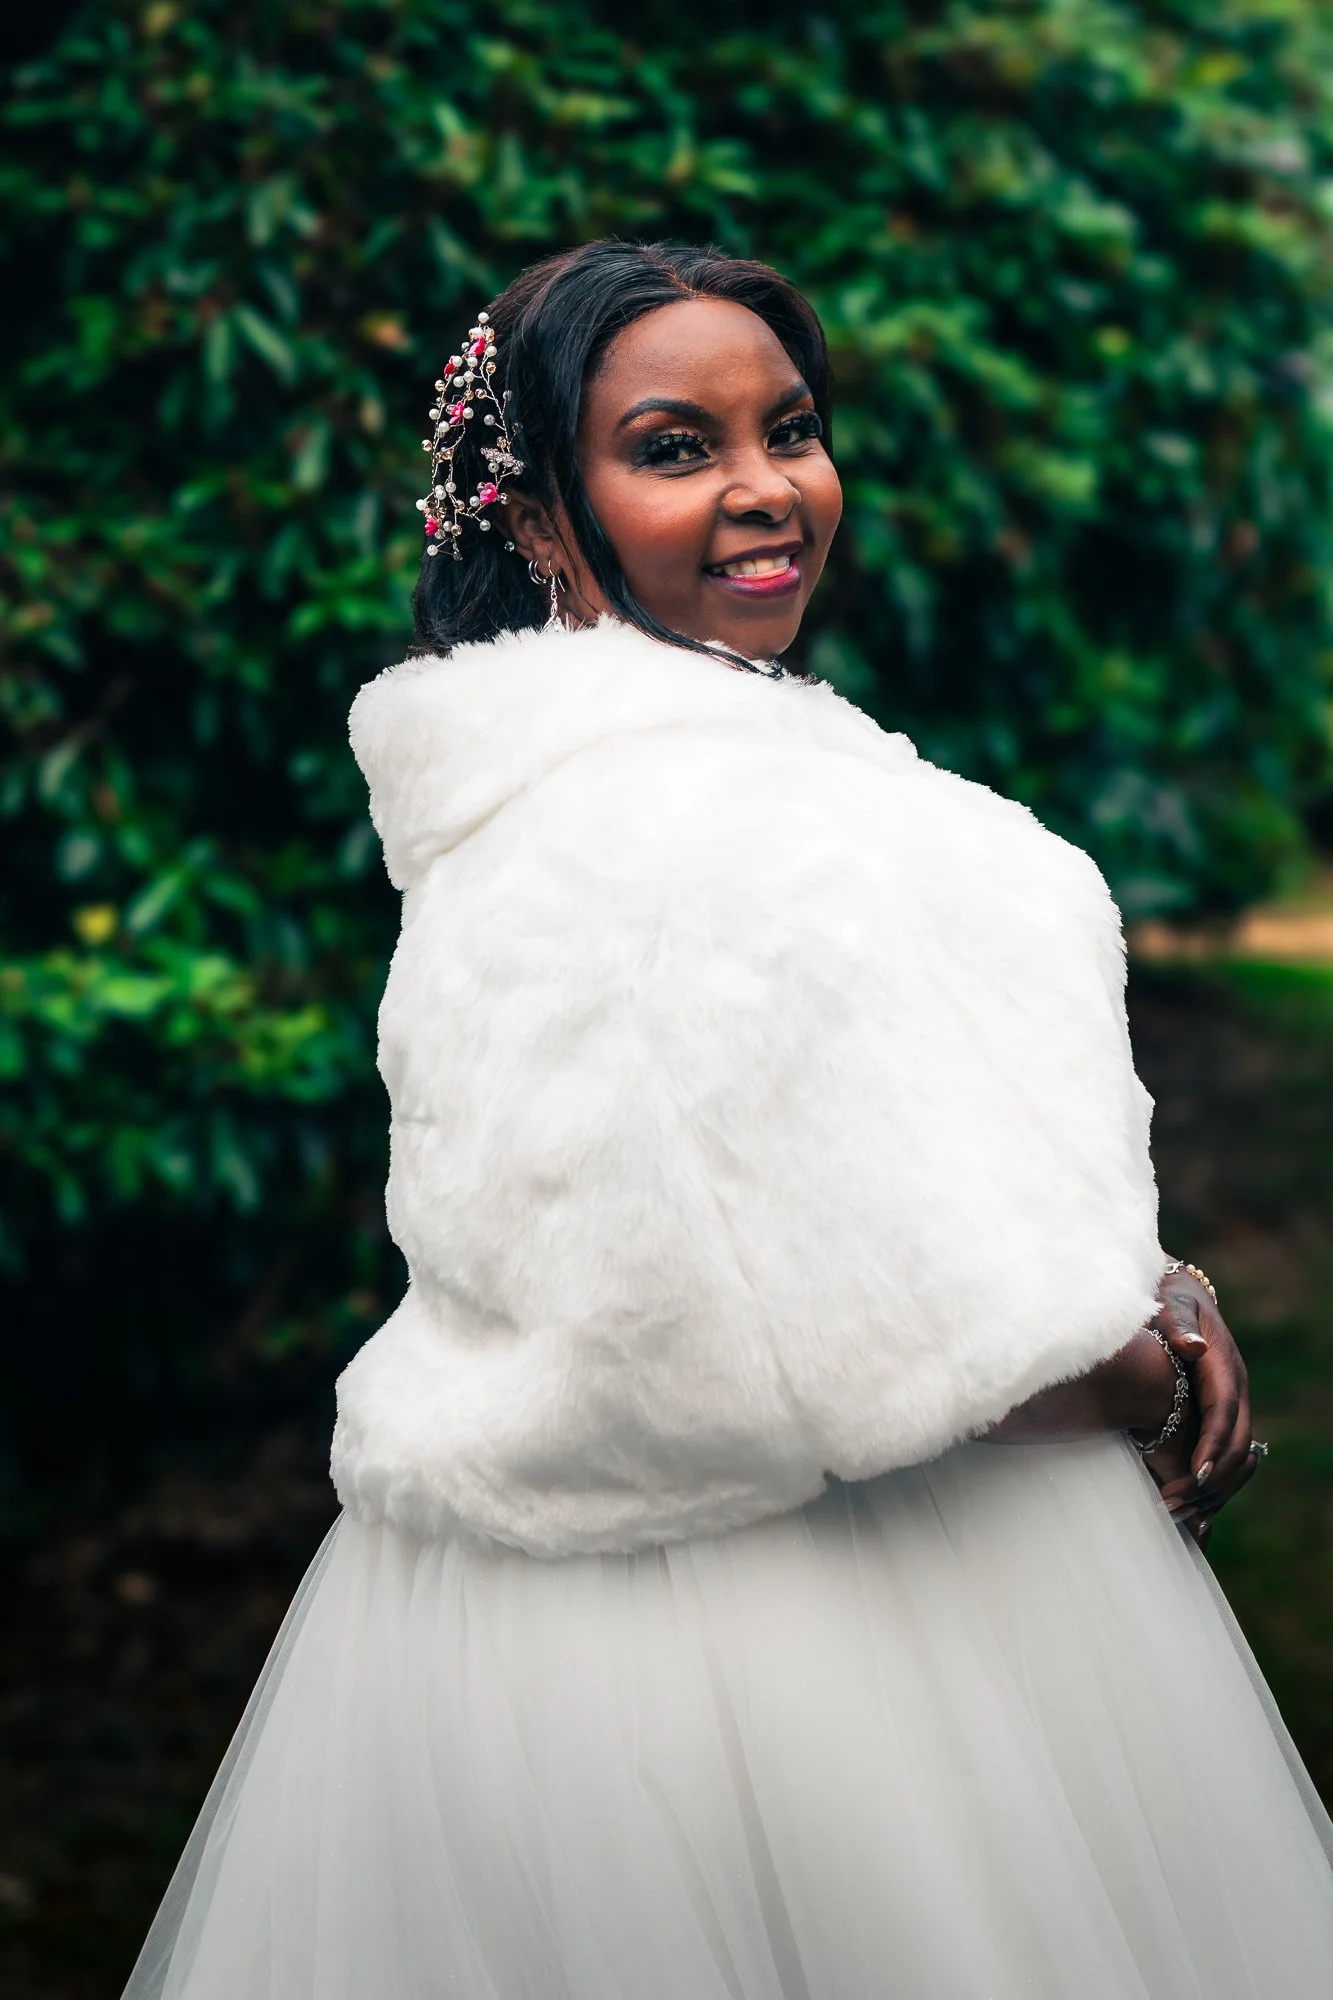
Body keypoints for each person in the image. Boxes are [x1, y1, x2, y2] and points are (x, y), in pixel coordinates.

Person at [123, 241, 1333, 2000]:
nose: (769, 489)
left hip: (601, 1620)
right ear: (547, 514)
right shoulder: (675, 822)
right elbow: (770, 1332)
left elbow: (851, 1166)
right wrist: (1142, 1370)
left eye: (793, 428)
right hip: (784, 1665)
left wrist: (1136, 1276)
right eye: (678, 446)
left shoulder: (622, 791)